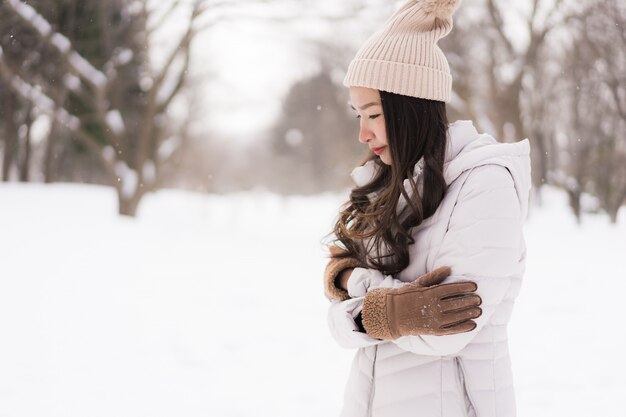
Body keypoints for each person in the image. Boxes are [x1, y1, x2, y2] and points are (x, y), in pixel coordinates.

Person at [322, 1, 532, 416]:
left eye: (373, 114)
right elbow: (338, 322)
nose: (363, 133)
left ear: (409, 106)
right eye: (358, 115)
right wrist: (388, 310)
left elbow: (449, 329)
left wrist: (357, 292)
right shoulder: (390, 185)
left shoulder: (485, 185)